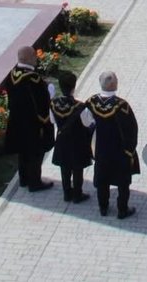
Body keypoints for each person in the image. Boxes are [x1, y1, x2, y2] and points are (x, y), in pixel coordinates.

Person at [86, 70, 139, 219]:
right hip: (119, 151)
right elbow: (131, 129)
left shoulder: (91, 102)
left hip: (101, 149)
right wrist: (130, 149)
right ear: (114, 84)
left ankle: (103, 207)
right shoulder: (122, 106)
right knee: (122, 182)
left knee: (102, 179)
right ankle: (122, 209)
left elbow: (87, 122)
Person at [3, 46, 56, 193]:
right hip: (32, 124)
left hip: (17, 121)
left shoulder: (12, 74)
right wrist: (49, 92)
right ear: (29, 58)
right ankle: (35, 182)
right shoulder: (33, 79)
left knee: (23, 151)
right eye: (34, 56)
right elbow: (42, 102)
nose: (36, 58)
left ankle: (24, 179)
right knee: (35, 153)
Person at [49, 70, 90, 203]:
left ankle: (67, 193)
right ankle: (78, 194)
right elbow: (87, 123)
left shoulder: (53, 104)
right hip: (77, 141)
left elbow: (52, 121)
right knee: (78, 169)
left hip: (62, 140)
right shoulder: (80, 106)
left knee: (64, 168)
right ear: (73, 87)